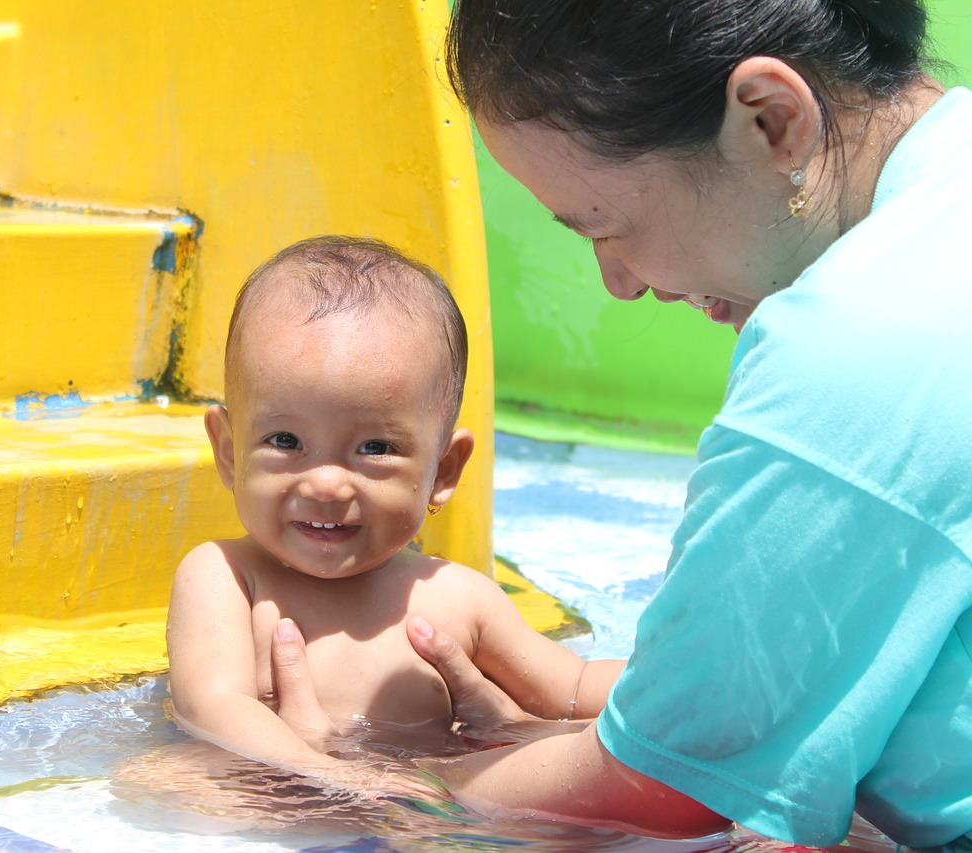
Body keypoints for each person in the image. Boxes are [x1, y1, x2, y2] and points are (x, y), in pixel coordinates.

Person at [265, 1, 972, 850]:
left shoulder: (855, 347)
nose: (621, 282)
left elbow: (665, 786)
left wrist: (362, 782)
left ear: (770, 118)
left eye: (606, 225)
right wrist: (563, 726)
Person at [165, 235, 622, 795]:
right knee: (168, 783)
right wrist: (335, 778)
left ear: (444, 470)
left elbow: (572, 691)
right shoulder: (226, 577)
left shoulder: (458, 598)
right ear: (231, 451)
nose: (327, 483)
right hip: (276, 791)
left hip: (420, 802)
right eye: (285, 440)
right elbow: (213, 706)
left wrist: (704, 689)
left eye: (375, 448)